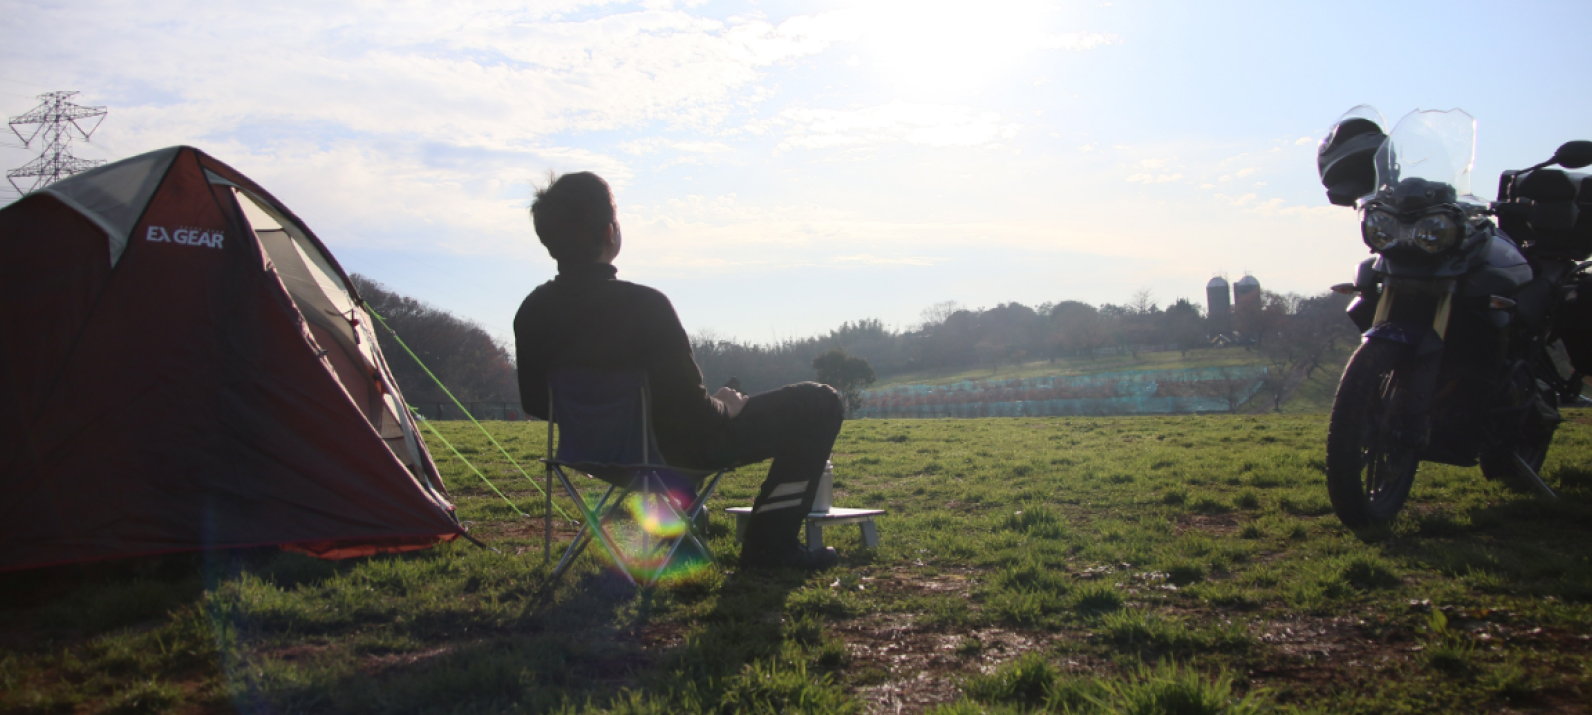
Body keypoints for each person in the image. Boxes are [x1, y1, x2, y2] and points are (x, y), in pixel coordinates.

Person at [514, 172, 844, 570]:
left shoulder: (532, 311)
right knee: (820, 402)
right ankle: (769, 547)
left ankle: (673, 527)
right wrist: (726, 406)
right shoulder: (645, 307)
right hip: (667, 455)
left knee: (670, 433)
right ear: (610, 232)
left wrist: (606, 422)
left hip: (591, 456)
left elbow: (535, 401)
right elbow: (696, 418)